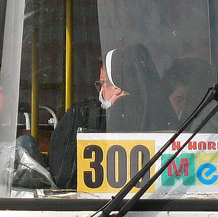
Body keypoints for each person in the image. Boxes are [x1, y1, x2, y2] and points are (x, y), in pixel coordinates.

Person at [48, 44, 167, 188]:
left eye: (102, 83)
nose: (100, 90)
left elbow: (62, 178)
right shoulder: (163, 116)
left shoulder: (83, 116)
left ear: (117, 87)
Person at [162, 56, 212, 123]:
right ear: (164, 98)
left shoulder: (195, 127)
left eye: (189, 100)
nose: (184, 105)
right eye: (179, 100)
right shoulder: (151, 131)